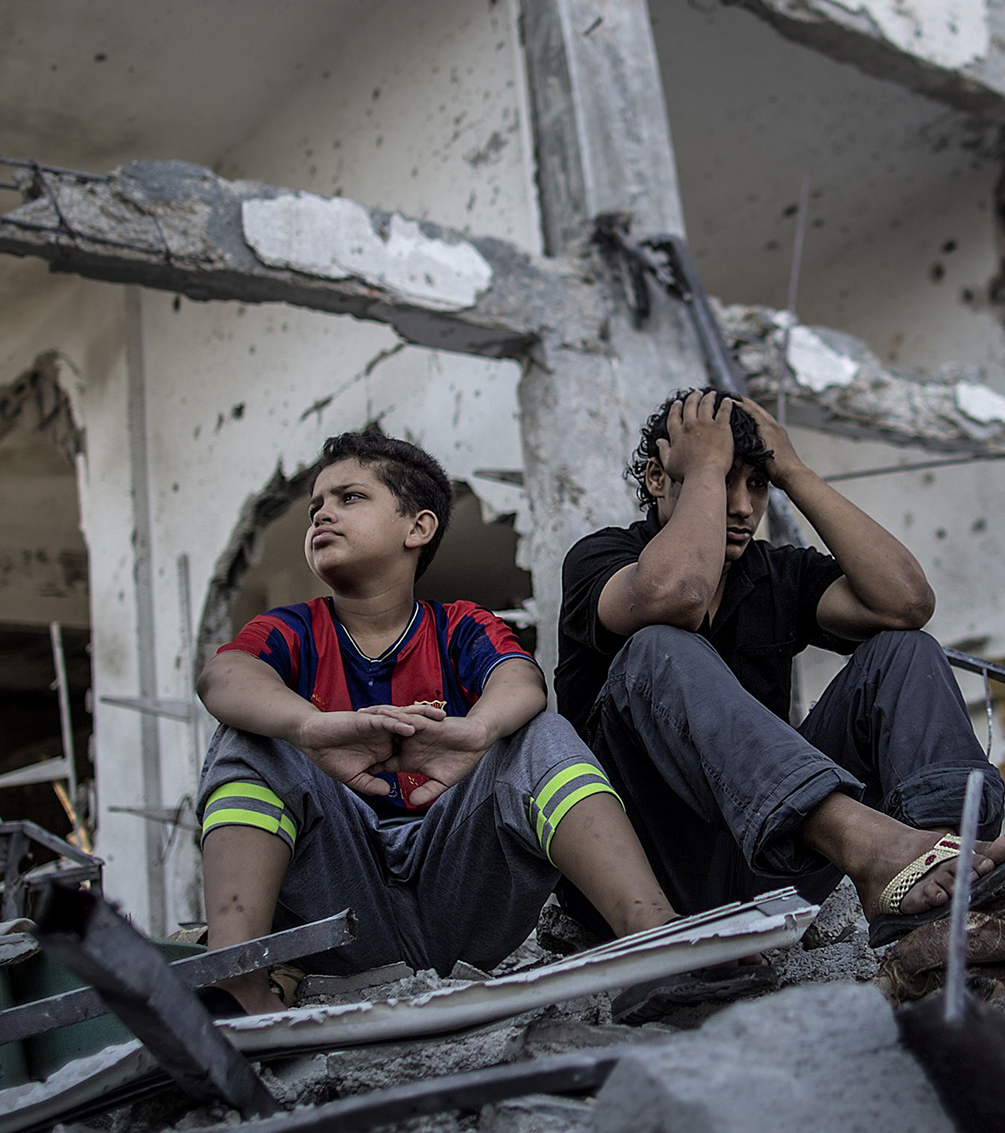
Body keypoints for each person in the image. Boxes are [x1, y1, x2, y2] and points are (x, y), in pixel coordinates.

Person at [195, 429, 679, 1014]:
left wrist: (475, 734)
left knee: (541, 732)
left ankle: (655, 936)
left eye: (349, 498)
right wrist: (310, 728)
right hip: (340, 912)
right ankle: (236, 975)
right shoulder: (291, 629)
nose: (322, 513)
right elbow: (222, 679)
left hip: (459, 894)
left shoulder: (458, 625)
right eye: (315, 505)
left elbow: (522, 681)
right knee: (245, 738)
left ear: (418, 528)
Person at [556, 389, 1005, 949]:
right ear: (659, 479)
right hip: (644, 871)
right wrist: (705, 460)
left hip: (764, 855)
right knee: (657, 647)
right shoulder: (601, 558)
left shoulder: (773, 574)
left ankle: (935, 864)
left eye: (755, 484)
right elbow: (675, 595)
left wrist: (795, 472)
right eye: (723, 479)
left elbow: (906, 602)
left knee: (904, 650)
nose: (743, 507)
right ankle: (868, 846)